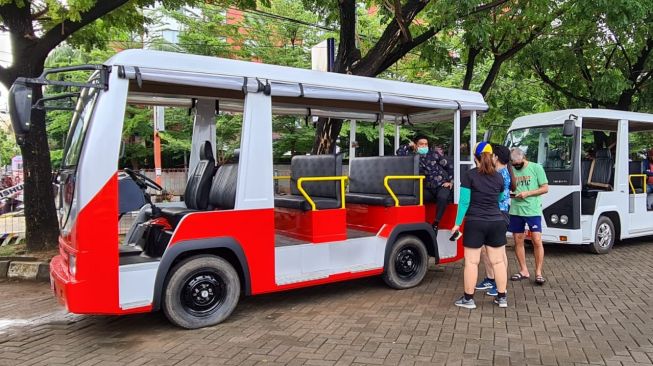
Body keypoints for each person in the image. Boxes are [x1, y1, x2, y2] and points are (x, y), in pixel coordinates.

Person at [451, 142, 508, 309]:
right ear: (492, 157)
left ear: (475, 157)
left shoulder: (470, 175)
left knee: (471, 262)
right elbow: (498, 199)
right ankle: (502, 298)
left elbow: (464, 202)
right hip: (496, 222)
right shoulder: (498, 177)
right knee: (498, 262)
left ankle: (468, 299)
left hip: (475, 222)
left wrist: (457, 224)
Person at [475, 144, 512, 296]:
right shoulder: (498, 172)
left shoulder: (502, 174)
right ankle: (491, 278)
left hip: (499, 214)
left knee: (499, 252)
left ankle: (500, 284)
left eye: (491, 155)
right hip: (492, 214)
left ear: (496, 157)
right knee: (485, 249)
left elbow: (500, 196)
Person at [508, 148, 549, 285]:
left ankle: (538, 272)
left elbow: (545, 188)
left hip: (532, 210)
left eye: (518, 163)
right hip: (515, 210)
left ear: (523, 157)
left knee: (537, 240)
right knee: (518, 240)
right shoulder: (511, 169)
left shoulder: (536, 168)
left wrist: (528, 193)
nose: (516, 165)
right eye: (514, 163)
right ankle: (524, 270)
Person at [397, 134, 453, 230]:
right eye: (421, 144)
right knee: (416, 198)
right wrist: (409, 145)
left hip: (441, 184)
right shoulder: (412, 156)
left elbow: (450, 166)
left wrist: (451, 181)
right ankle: (418, 224)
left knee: (442, 197)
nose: (424, 146)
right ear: (415, 145)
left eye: (426, 144)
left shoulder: (434, 154)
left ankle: (436, 223)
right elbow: (399, 152)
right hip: (426, 187)